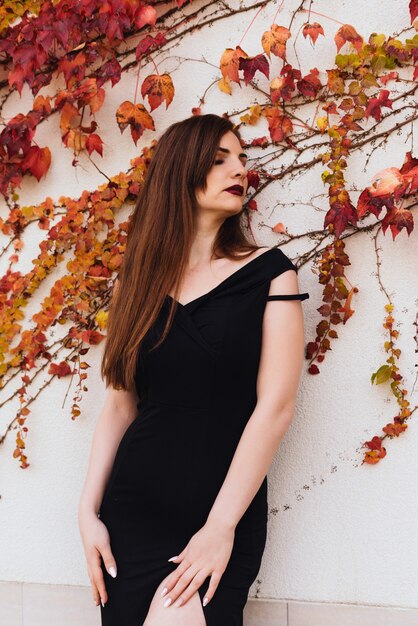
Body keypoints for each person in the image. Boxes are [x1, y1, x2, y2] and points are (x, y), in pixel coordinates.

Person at [78, 113, 309, 626]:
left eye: (242, 159)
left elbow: (276, 408)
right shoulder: (135, 283)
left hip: (216, 515)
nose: (239, 170)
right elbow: (120, 405)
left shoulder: (271, 273)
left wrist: (220, 526)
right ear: (182, 170)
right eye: (221, 158)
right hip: (132, 513)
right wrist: (87, 514)